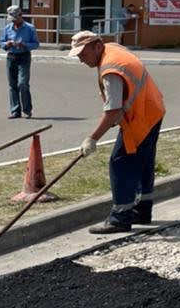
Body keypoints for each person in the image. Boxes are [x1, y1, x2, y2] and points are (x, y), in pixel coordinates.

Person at [69, 30, 165, 234]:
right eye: (78, 56)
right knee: (143, 162)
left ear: (96, 46)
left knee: (120, 163)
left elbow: (112, 111)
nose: (81, 60)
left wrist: (92, 139)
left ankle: (120, 217)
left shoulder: (111, 69)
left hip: (141, 117)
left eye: (83, 54)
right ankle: (142, 210)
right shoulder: (112, 49)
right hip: (152, 110)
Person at [2, 6, 39, 119]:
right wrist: (6, 44)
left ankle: (27, 110)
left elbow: (36, 44)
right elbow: (2, 42)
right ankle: (15, 111)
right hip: (11, 57)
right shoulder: (7, 28)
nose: (13, 21)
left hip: (24, 57)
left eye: (15, 18)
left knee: (22, 83)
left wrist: (25, 45)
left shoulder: (30, 28)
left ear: (20, 16)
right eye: (11, 19)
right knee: (12, 85)